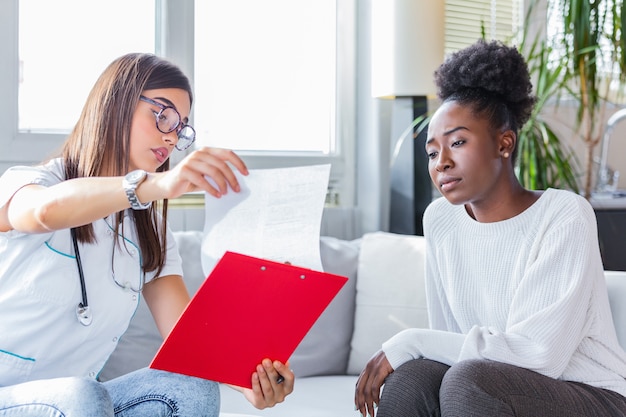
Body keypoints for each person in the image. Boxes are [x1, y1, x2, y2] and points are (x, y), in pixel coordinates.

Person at [0, 53, 294, 416]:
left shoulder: (149, 229)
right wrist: (155, 185)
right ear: (116, 105)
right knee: (82, 396)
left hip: (78, 407)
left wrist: (248, 380)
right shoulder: (29, 183)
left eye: (181, 127)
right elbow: (44, 211)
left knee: (191, 387)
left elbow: (189, 340)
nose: (172, 138)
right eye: (164, 115)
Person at [354, 39, 626, 417]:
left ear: (504, 143)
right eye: (433, 152)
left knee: (468, 381)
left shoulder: (563, 215)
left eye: (458, 142)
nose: (441, 163)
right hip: (488, 383)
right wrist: (414, 353)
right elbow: (450, 342)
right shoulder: (440, 220)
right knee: (412, 377)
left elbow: (539, 355)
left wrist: (408, 339)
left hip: (593, 395)